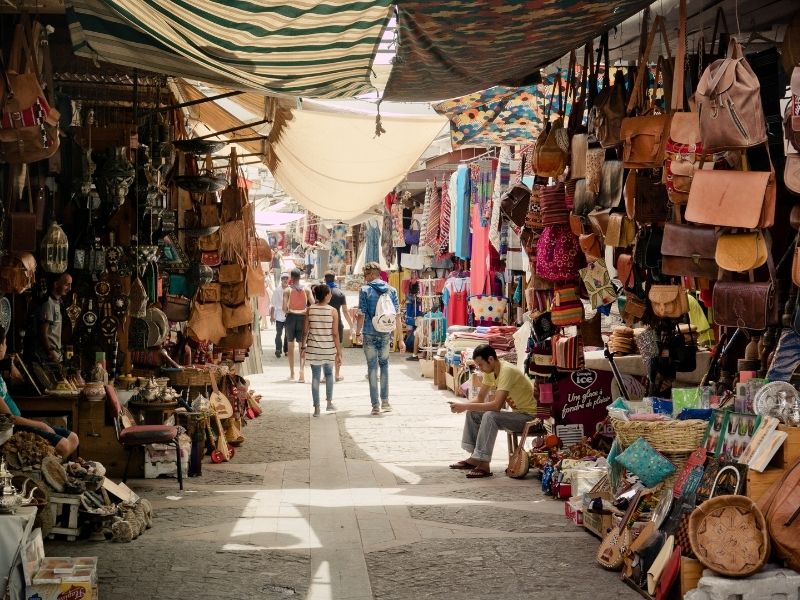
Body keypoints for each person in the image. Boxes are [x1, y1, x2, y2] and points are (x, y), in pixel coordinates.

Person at [448, 344, 536, 479]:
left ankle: (483, 464)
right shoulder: (491, 372)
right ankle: (475, 458)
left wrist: (464, 406)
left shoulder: (506, 371)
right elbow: (479, 398)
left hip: (531, 418)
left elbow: (496, 406)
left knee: (490, 416)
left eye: (481, 365)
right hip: (518, 414)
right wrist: (462, 405)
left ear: (490, 359)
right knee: (473, 413)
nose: (479, 368)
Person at [0, 325, 79, 457]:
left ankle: (50, 469)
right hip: (13, 428)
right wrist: (40, 425)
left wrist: (12, 364)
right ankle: (45, 470)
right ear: (0, 346)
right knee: (63, 445)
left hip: (19, 423)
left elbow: (19, 379)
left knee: (73, 438)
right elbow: (9, 418)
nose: (6, 347)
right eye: (5, 343)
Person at [359, 261, 404, 415]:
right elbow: (397, 316)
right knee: (384, 365)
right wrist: (401, 339)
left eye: (366, 275)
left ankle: (375, 406)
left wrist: (358, 332)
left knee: (372, 367)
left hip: (369, 332)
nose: (365, 278)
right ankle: (385, 401)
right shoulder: (392, 290)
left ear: (372, 274)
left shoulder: (364, 290)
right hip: (385, 333)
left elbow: (362, 313)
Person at [301, 284, 343, 416]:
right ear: (325, 295)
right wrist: (339, 351)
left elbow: (305, 331)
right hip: (329, 348)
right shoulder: (333, 311)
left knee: (315, 377)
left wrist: (303, 346)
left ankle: (317, 408)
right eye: (329, 293)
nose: (331, 295)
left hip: (313, 349)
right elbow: (335, 333)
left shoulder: (310, 310)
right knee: (329, 374)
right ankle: (329, 403)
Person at [33, 273, 72, 364]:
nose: (69, 289)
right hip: (48, 358)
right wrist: (50, 352)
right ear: (56, 284)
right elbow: (43, 332)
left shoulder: (58, 303)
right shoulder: (48, 303)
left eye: (70, 285)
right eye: (66, 285)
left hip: (57, 355)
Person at [283, 269, 313, 382]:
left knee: (290, 346)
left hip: (291, 318)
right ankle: (302, 371)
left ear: (292, 277)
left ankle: (292, 373)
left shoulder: (287, 290)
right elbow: (313, 304)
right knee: (302, 345)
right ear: (300, 277)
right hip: (303, 319)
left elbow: (284, 308)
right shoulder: (306, 289)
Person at [324, 271, 353, 381]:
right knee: (337, 349)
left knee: (325, 349)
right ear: (335, 279)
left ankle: (325, 375)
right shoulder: (340, 293)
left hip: (324, 324)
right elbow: (345, 311)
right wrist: (351, 326)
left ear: (325, 279)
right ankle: (336, 374)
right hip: (337, 324)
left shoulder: (321, 292)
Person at [271, 273, 290, 358]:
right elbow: (273, 304)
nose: (285, 280)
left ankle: (286, 350)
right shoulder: (276, 290)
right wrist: (272, 316)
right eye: (283, 278)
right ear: (281, 280)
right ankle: (278, 349)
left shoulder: (291, 290)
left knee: (287, 334)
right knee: (279, 333)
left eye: (287, 278)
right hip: (279, 315)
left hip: (289, 315)